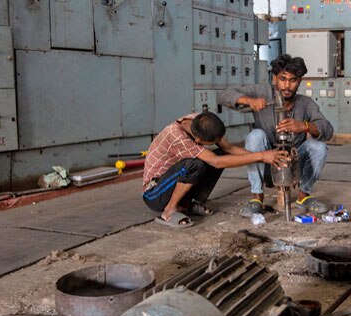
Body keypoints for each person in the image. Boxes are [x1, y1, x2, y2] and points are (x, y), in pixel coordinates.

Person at [217, 54, 334, 217]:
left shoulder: (306, 103)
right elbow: (223, 95)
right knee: (255, 136)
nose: (287, 85)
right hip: (266, 162)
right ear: (274, 78)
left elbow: (327, 129)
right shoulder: (261, 92)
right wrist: (249, 100)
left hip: (293, 165)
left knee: (319, 147)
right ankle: (256, 198)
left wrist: (304, 126)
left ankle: (304, 196)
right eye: (283, 79)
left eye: (293, 80)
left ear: (299, 81)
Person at [142, 111, 290, 228]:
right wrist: (262, 156)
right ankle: (169, 211)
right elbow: (217, 162)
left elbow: (229, 149)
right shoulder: (178, 137)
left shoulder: (200, 122)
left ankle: (185, 204)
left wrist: (266, 158)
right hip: (154, 193)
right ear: (198, 140)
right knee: (196, 164)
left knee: (221, 154)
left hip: (171, 184)